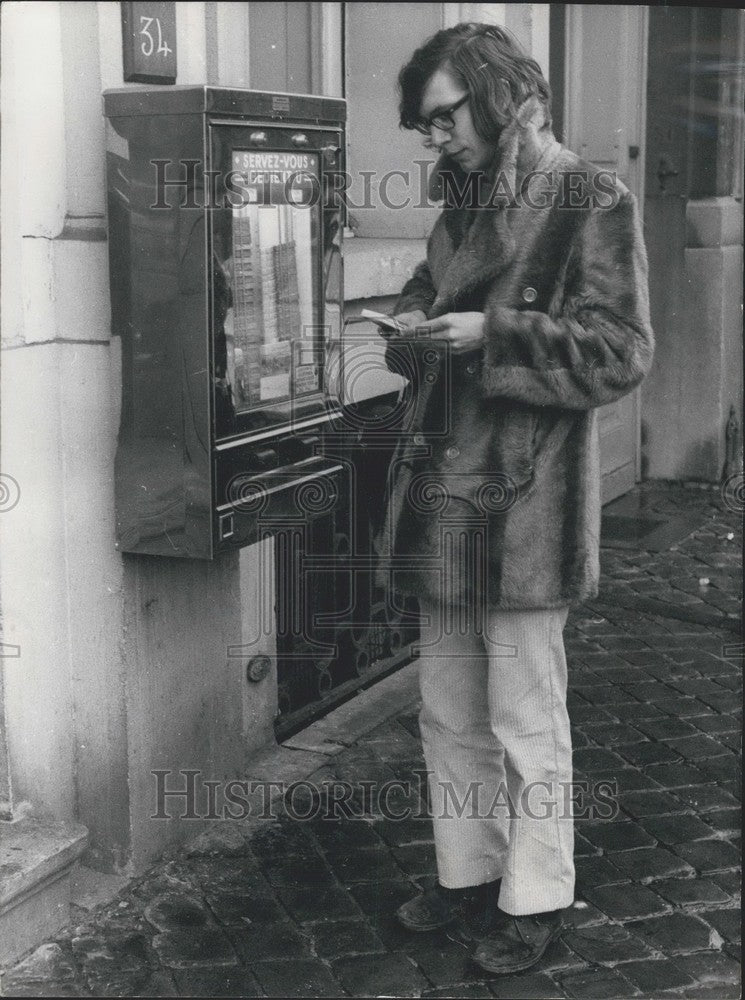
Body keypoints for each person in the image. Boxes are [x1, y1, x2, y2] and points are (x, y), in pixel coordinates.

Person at [372, 22, 654, 975]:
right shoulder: (457, 203)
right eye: (423, 125)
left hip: (525, 499)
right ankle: (465, 872)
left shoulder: (585, 195)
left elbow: (619, 348)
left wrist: (487, 337)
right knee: (447, 709)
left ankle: (534, 895)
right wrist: (412, 325)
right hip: (442, 491)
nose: (432, 138)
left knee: (525, 718)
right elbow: (429, 294)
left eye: (443, 116)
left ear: (494, 97)